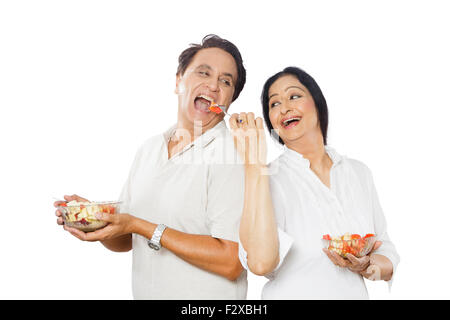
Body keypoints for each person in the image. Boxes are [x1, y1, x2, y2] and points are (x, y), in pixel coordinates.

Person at [54, 35, 248, 299]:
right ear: (178, 80)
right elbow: (125, 240)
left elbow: (232, 261)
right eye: (204, 72)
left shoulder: (232, 154)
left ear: (230, 98)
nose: (213, 85)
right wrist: (99, 223)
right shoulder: (149, 149)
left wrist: (141, 225)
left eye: (226, 81)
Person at [229, 66, 400, 299]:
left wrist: (368, 266)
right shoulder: (265, 179)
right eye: (274, 103)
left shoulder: (358, 173)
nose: (285, 107)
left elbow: (386, 249)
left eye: (294, 96)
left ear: (318, 103)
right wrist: (254, 164)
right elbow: (260, 264)